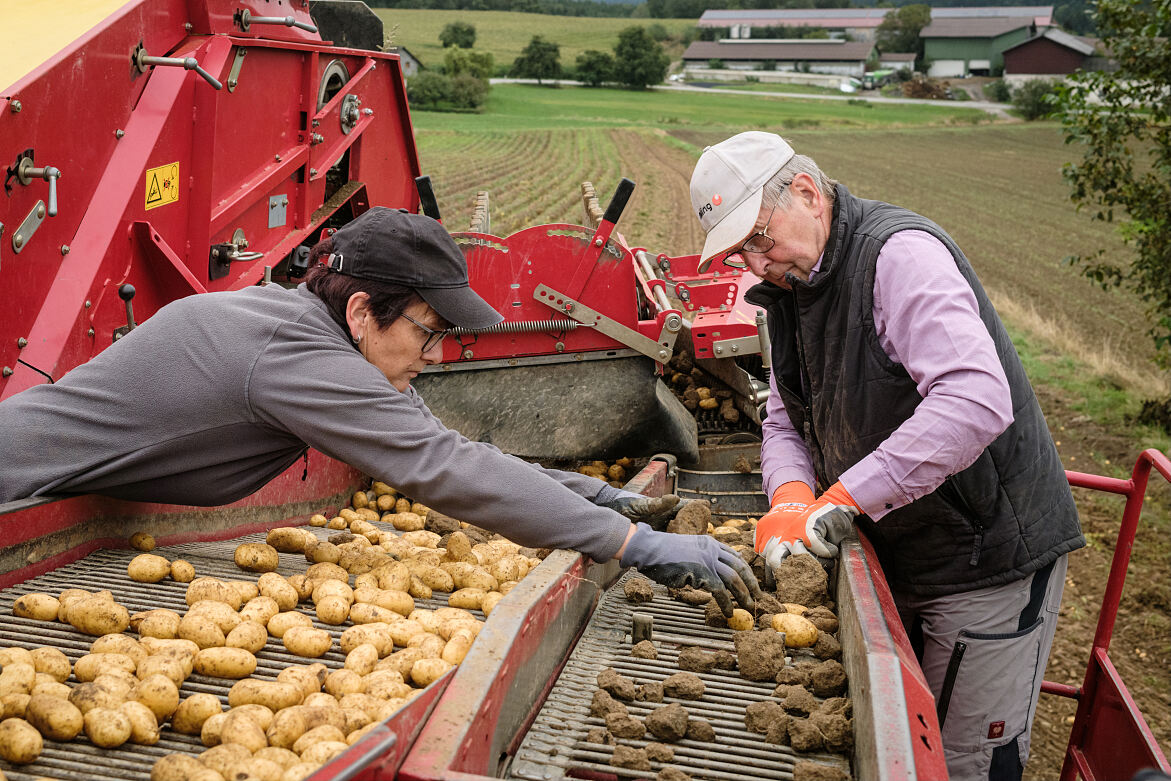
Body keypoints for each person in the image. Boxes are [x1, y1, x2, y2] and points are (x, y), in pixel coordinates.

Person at [0, 207, 761, 615]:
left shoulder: (291, 324)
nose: (434, 356)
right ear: (362, 310)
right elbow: (442, 466)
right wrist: (629, 542)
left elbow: (438, 444)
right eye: (428, 332)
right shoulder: (301, 360)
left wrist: (598, 495)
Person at [689, 132, 1084, 780]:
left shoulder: (897, 257)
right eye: (740, 253)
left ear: (808, 194)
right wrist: (789, 492)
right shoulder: (792, 291)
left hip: (980, 556)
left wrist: (844, 496)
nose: (755, 264)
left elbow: (973, 399)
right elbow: (787, 413)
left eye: (759, 239)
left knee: (959, 761)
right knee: (902, 722)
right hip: (899, 547)